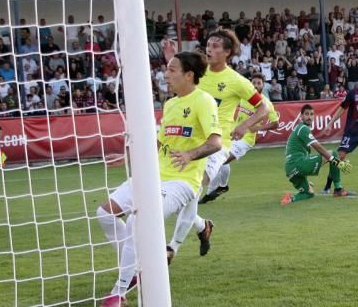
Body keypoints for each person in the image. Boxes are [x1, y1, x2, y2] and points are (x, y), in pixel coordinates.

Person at [98, 51, 221, 307]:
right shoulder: (170, 104)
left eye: (172, 69)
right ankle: (134, 269)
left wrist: (190, 154)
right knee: (105, 213)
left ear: (189, 75)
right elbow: (160, 143)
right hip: (153, 174)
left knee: (136, 222)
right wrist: (129, 158)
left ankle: (117, 292)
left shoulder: (204, 101)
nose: (166, 74)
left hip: (182, 182)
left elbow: (215, 142)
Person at [167, 29, 269, 261]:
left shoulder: (236, 81)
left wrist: (244, 126)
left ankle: (171, 248)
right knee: (180, 195)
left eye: (215, 46)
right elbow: (180, 83)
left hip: (216, 146)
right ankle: (203, 226)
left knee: (190, 193)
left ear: (227, 52)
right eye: (208, 45)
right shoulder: (199, 72)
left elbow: (262, 108)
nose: (209, 49)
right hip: (190, 143)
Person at [200, 73, 279, 203]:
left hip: (246, 140)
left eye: (259, 83)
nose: (256, 85)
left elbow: (276, 124)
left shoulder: (266, 104)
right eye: (254, 82)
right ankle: (219, 188)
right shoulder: (243, 98)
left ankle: (215, 190)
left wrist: (258, 128)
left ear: (263, 85)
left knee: (221, 160)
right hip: (232, 135)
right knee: (219, 159)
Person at [282, 104, 353, 205]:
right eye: (306, 114)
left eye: (311, 114)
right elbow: (318, 147)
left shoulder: (299, 129)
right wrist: (337, 162)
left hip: (290, 170)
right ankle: (338, 189)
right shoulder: (303, 128)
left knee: (309, 193)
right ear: (301, 116)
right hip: (298, 164)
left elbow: (299, 154)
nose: (309, 117)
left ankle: (290, 199)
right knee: (332, 153)